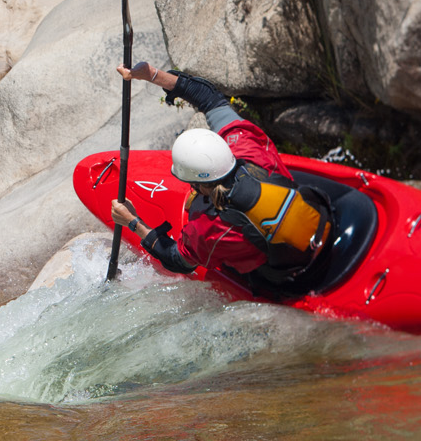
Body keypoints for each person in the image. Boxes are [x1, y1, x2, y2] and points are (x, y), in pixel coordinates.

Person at [109, 62, 332, 291]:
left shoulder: (207, 229)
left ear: (195, 184)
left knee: (225, 266)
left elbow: (178, 261)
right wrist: (152, 74)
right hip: (324, 225)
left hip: (295, 274)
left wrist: (132, 221)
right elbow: (210, 98)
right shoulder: (248, 146)